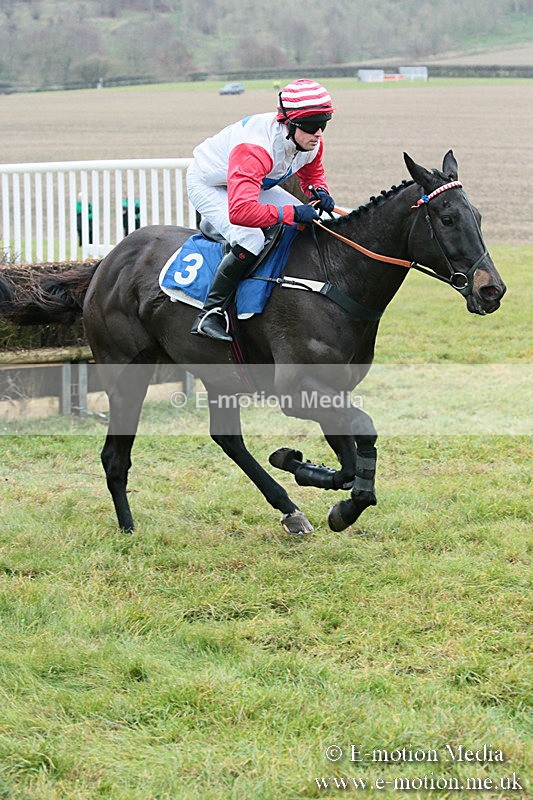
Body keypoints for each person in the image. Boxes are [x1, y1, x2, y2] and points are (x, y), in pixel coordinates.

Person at [186, 78, 336, 341]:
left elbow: (313, 174)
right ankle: (210, 313)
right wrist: (290, 214)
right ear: (290, 123)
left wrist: (319, 191)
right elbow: (241, 212)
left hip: (252, 183)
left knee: (307, 221)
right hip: (209, 183)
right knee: (251, 238)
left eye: (323, 125)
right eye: (312, 126)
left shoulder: (311, 142)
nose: (319, 133)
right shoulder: (256, 148)